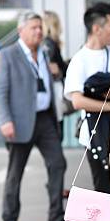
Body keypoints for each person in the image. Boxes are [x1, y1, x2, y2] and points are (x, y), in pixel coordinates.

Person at [0, 12, 76, 221]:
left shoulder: (45, 52)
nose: (39, 31)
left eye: (40, 27)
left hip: (45, 119)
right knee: (15, 174)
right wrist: (5, 120)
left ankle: (56, 218)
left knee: (58, 163)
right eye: (33, 28)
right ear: (21, 31)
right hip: (19, 123)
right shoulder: (7, 55)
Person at [64, 2, 110, 221]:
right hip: (96, 137)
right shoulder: (80, 60)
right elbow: (77, 101)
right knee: (102, 192)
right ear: (97, 28)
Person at [42, 11, 69, 140]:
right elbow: (54, 68)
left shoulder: (47, 43)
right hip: (55, 87)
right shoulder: (49, 44)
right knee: (57, 128)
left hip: (54, 87)